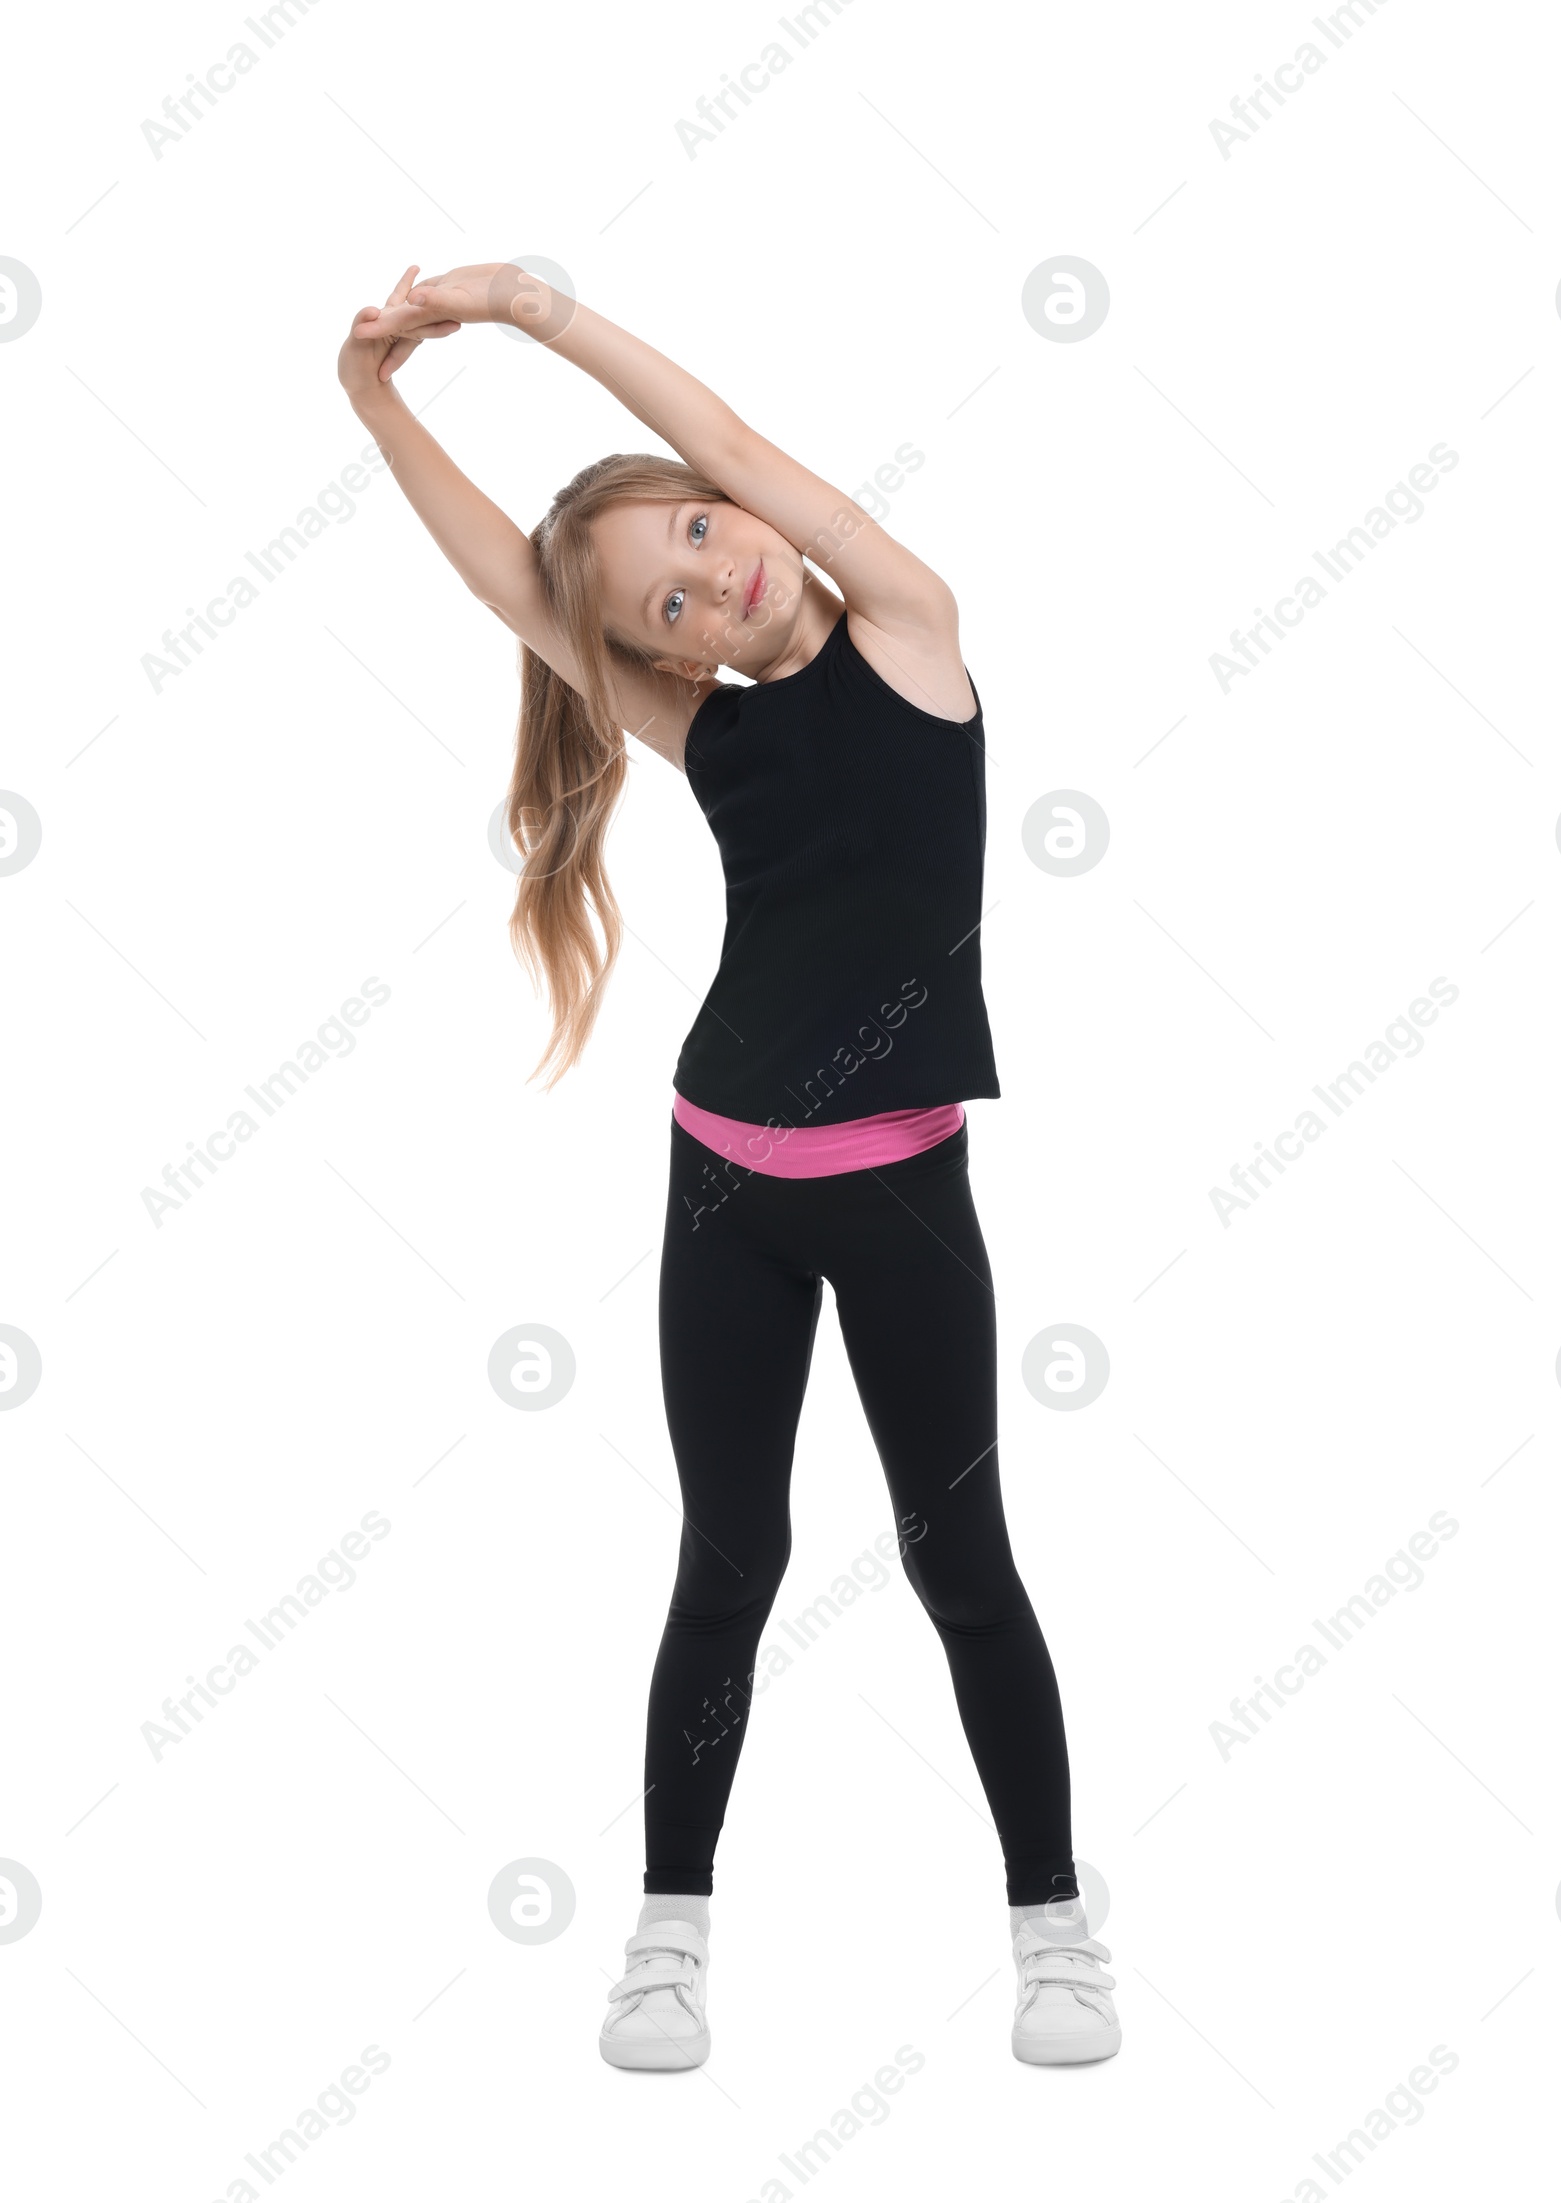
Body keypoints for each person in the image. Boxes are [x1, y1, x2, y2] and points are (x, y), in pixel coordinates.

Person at [336, 264, 1120, 2068]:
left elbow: (742, 448)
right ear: (664, 655)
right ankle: (669, 1932)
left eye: (703, 527)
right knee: (730, 1558)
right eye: (670, 599)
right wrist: (380, 407)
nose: (716, 571)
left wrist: (535, 315)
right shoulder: (707, 731)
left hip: (904, 1186)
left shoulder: (910, 627)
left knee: (961, 1562)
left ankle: (1056, 1924)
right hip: (722, 1192)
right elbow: (516, 591)